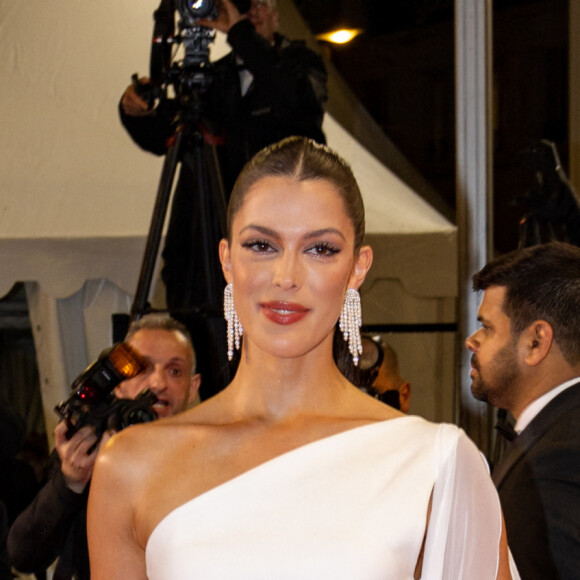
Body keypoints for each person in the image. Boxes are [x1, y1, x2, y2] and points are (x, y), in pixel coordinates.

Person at [88, 137, 517, 579]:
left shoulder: (435, 464)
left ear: (357, 267)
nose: (286, 276)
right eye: (261, 245)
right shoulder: (130, 465)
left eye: (320, 249)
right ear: (226, 260)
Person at [120, 0, 328, 398]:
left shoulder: (299, 64)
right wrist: (135, 109)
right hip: (198, 247)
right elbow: (162, 136)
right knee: (200, 351)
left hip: (268, 245)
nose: (253, 11)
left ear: (277, 11)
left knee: (252, 361)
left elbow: (301, 108)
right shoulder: (214, 78)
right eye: (244, 4)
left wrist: (242, 35)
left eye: (261, 4)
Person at [8, 314, 200, 580]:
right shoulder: (85, 451)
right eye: (143, 368)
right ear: (117, 383)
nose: (158, 383)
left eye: (175, 371)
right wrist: (71, 483)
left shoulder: (210, 457)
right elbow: (24, 553)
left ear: (192, 388)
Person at [466, 241, 580, 580]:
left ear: (536, 342)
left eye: (487, 327)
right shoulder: (556, 433)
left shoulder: (558, 456)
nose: (472, 340)